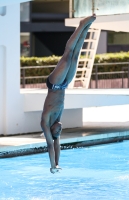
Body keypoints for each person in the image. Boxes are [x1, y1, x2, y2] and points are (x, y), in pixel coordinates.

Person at [41, 14, 96, 174]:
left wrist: (52, 165)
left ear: (51, 130)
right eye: (60, 131)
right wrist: (58, 164)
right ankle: (86, 28)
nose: (60, 129)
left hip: (54, 83)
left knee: (68, 54)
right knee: (76, 54)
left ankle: (81, 24)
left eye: (57, 131)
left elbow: (51, 145)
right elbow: (57, 143)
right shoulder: (57, 121)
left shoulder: (45, 121)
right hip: (64, 85)